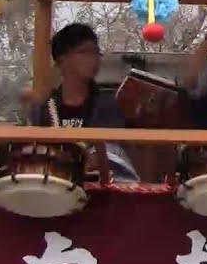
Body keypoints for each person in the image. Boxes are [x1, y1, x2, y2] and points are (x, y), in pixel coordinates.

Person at [24, 24, 138, 182]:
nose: (94, 59)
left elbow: (114, 152)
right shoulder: (43, 107)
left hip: (101, 190)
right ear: (62, 60)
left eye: (96, 52)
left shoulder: (109, 104)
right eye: (85, 52)